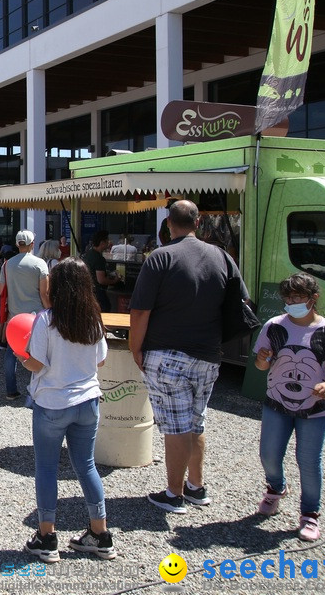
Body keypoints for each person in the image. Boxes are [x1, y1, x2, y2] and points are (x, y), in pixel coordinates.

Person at [128, 200, 239, 513]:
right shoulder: (222, 256)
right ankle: (196, 486)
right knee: (195, 421)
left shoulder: (161, 258)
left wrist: (137, 348)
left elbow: (140, 311)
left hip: (166, 352)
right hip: (208, 353)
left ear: (168, 223)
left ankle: (174, 493)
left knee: (176, 426)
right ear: (199, 221)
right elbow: (238, 302)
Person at [20, 258, 116, 562]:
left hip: (52, 403)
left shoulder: (46, 321)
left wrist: (20, 356)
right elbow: (100, 361)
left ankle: (47, 537)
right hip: (88, 401)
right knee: (86, 466)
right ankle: (100, 533)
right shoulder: (94, 320)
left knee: (46, 469)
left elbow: (37, 363)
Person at [252, 272, 325, 542]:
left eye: (298, 297)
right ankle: (276, 489)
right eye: (288, 297)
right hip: (276, 403)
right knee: (269, 455)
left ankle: (310, 514)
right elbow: (261, 365)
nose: (291, 301)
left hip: (316, 409)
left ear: (313, 299)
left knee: (308, 461)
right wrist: (263, 360)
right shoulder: (273, 326)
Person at [0, 230, 51, 400]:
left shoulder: (7, 264)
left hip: (15, 317)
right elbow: (44, 293)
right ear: (32, 244)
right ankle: (36, 389)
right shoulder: (40, 264)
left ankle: (11, 390)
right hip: (36, 316)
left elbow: (1, 290)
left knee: (12, 352)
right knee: (38, 352)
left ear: (17, 244)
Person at [82, 231, 119, 314]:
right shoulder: (99, 258)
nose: (109, 243)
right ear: (102, 243)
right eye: (107, 240)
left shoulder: (87, 254)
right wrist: (114, 281)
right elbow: (101, 280)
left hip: (87, 290)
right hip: (98, 292)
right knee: (105, 309)